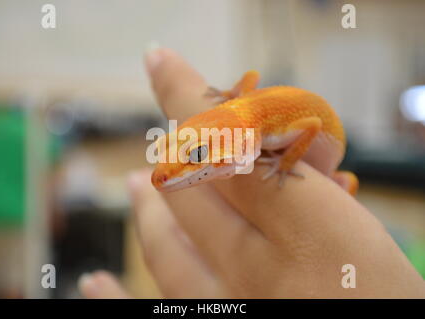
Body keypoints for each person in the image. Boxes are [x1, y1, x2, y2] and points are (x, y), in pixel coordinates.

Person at [79, 48, 425, 299]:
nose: (166, 174)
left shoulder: (270, 132)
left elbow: (313, 124)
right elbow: (251, 79)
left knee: (343, 186)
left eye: (198, 155)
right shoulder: (242, 121)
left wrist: (285, 163)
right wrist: (232, 96)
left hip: (322, 156)